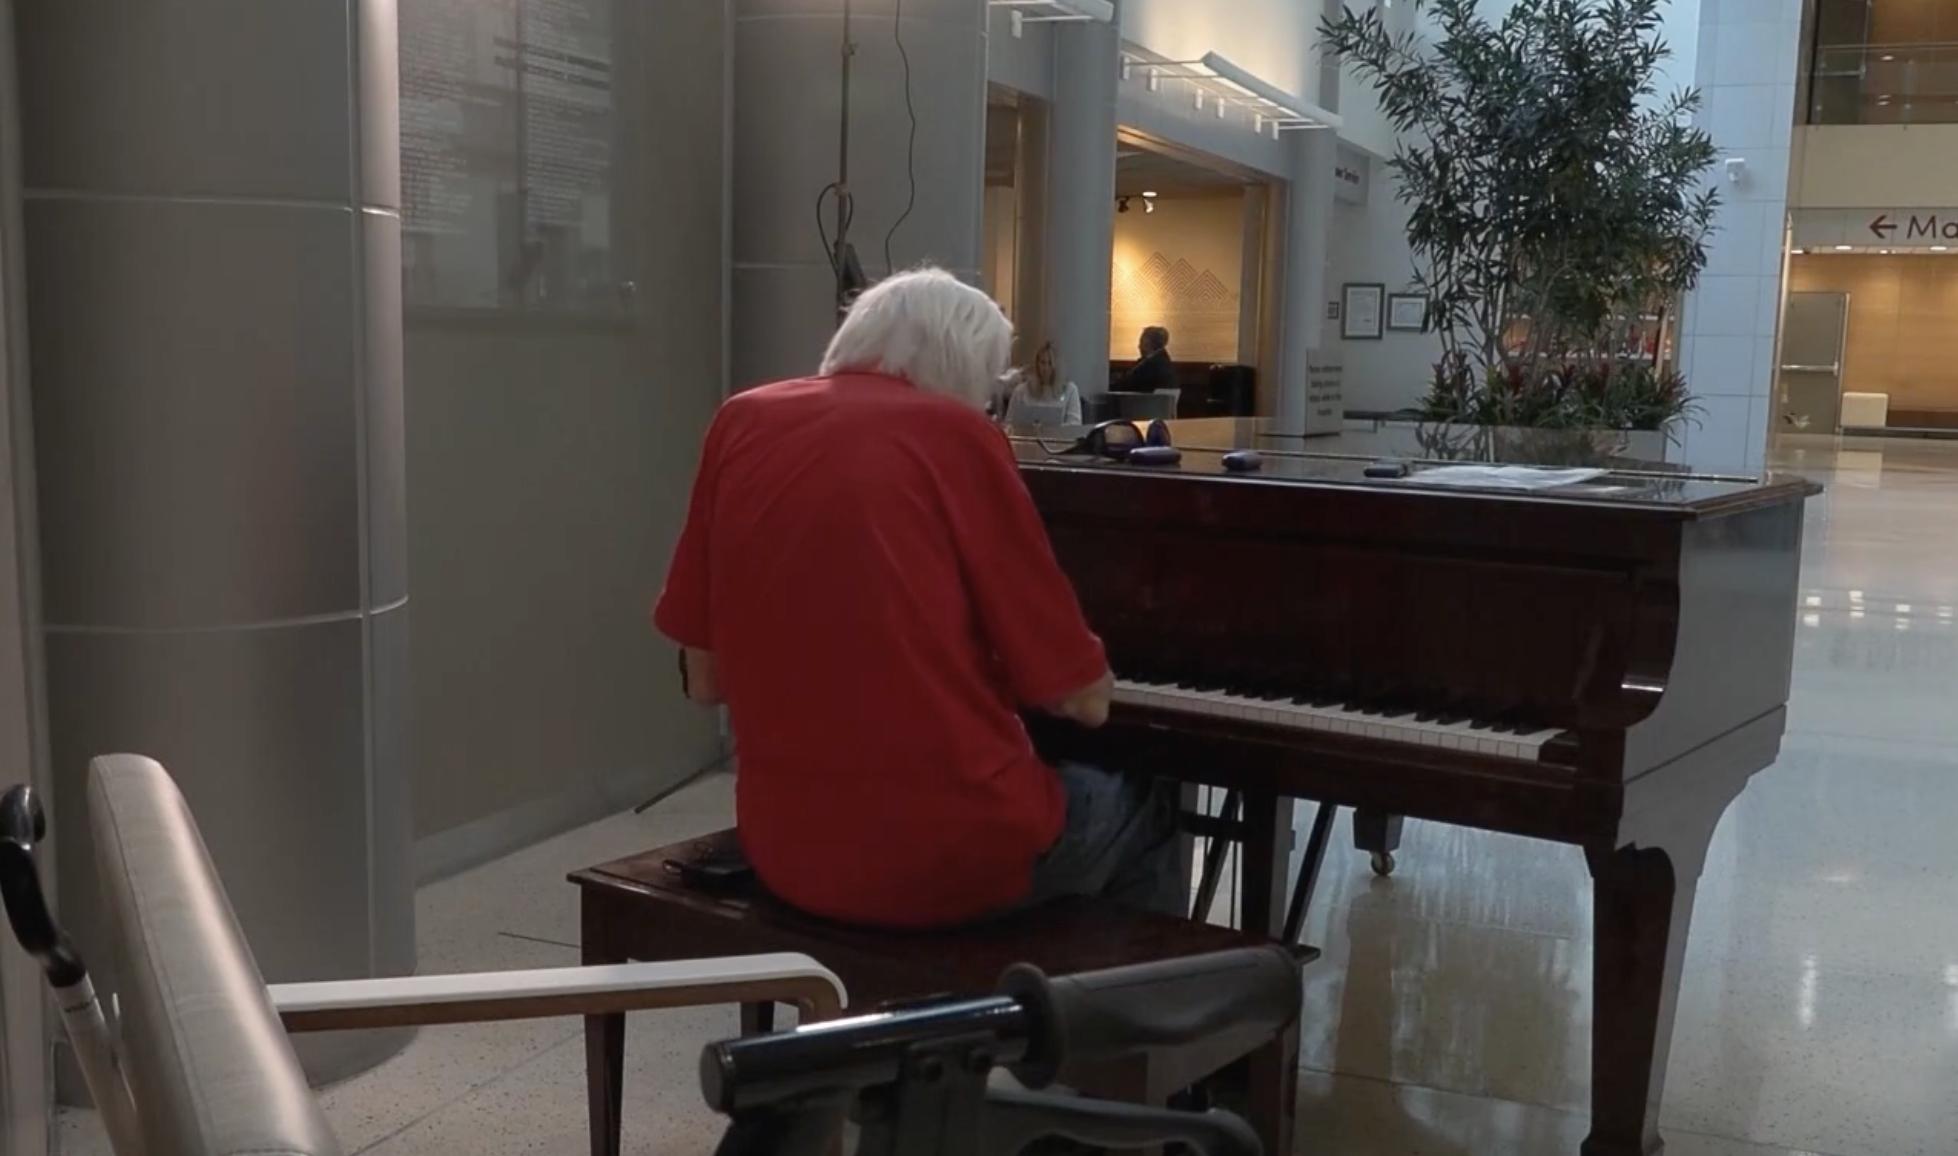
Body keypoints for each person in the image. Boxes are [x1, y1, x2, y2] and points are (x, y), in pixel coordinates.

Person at [653, 268, 1182, 929]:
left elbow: (705, 682)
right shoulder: (957, 434)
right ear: (965, 368)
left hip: (788, 851)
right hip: (949, 857)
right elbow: (1083, 701)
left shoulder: (741, 419)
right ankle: (1114, 994)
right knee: (1151, 802)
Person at [1002, 342, 1082, 426]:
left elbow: (1075, 425)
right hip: (1027, 434)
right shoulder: (1020, 391)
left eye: (1050, 363)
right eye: (1043, 363)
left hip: (1058, 434)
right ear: (1037, 364)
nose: (1046, 368)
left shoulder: (1070, 390)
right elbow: (1009, 422)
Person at [1114, 326, 1177, 394]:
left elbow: (1134, 385)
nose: (1139, 346)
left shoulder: (1154, 366)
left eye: (1141, 342)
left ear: (1148, 343)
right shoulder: (1161, 361)